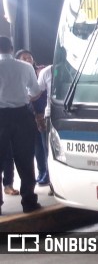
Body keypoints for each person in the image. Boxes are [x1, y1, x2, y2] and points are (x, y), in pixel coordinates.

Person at [0, 36, 42, 214]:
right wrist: (24, 98)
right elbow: (36, 92)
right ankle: (29, 202)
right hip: (22, 115)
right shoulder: (25, 67)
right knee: (25, 160)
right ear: (11, 48)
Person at [15, 50, 49, 186]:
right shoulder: (19, 74)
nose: (28, 59)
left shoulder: (42, 71)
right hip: (29, 113)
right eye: (24, 58)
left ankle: (48, 173)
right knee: (37, 147)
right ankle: (41, 172)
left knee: (45, 144)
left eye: (29, 57)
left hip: (43, 112)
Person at [37, 63, 54, 196]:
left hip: (75, 112)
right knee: (50, 151)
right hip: (51, 115)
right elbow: (36, 93)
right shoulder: (46, 72)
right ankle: (53, 183)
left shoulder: (77, 67)